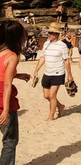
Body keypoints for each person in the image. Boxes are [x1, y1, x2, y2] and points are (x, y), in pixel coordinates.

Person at [0, 21, 31, 164]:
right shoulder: (12, 56)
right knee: (10, 140)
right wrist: (6, 110)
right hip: (3, 100)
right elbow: (6, 84)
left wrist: (17, 75)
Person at [32, 24, 74, 121]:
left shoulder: (62, 45)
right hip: (47, 73)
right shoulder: (46, 44)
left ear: (56, 34)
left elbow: (66, 61)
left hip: (58, 73)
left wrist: (69, 75)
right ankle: (60, 106)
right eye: (48, 32)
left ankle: (51, 116)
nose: (48, 34)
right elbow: (42, 57)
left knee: (52, 95)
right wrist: (36, 70)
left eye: (50, 33)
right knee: (46, 95)